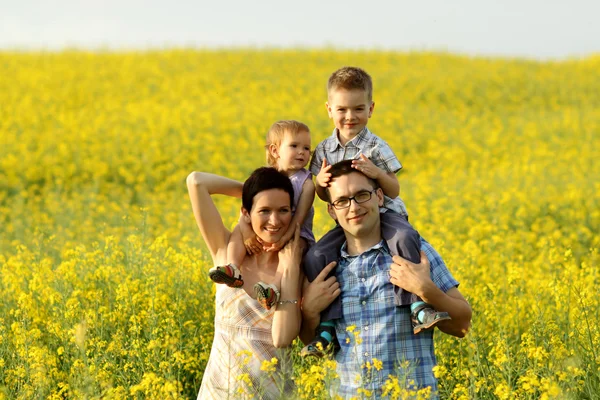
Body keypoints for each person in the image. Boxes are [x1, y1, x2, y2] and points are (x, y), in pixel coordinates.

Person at [302, 66, 449, 356]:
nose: (350, 116)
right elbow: (323, 196)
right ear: (329, 109)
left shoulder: (376, 146)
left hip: (387, 216)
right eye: (342, 109)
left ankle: (417, 305)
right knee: (315, 256)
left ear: (371, 109)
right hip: (346, 220)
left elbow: (393, 190)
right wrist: (318, 183)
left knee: (407, 237)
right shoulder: (323, 150)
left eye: (358, 109)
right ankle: (328, 327)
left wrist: (376, 173)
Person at [300, 160, 472, 398]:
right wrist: (309, 313)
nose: (353, 207)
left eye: (362, 195)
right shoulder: (325, 269)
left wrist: (426, 290)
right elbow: (316, 345)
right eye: (342, 201)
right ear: (332, 210)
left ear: (379, 197)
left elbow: (462, 326)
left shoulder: (415, 253)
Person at [187, 167, 304, 399]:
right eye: (264, 210)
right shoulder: (226, 254)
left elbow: (284, 338)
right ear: (246, 213)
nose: (274, 220)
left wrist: (290, 270)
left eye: (283, 210)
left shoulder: (298, 265)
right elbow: (197, 182)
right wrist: (253, 191)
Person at [208, 120, 316, 310]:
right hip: (269, 228)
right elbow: (247, 208)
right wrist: (247, 232)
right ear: (275, 151)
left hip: (296, 233)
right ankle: (232, 267)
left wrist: (284, 239)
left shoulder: (306, 184)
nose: (302, 152)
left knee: (294, 250)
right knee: (238, 231)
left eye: (307, 148)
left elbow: (299, 218)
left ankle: (272, 288)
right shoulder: (266, 176)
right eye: (294, 146)